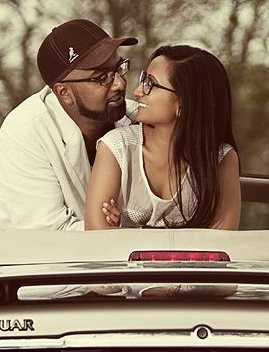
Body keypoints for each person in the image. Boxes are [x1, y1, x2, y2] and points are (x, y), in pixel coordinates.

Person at [0, 19, 137, 230]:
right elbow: (49, 233)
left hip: (116, 258)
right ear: (64, 93)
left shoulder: (139, 118)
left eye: (119, 68)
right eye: (102, 77)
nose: (120, 83)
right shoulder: (25, 131)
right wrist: (123, 229)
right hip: (21, 259)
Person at [85, 44, 241, 230]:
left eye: (150, 84)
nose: (137, 91)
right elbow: (96, 235)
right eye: (144, 80)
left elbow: (220, 245)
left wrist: (126, 232)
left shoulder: (221, 158)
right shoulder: (117, 147)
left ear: (183, 103)